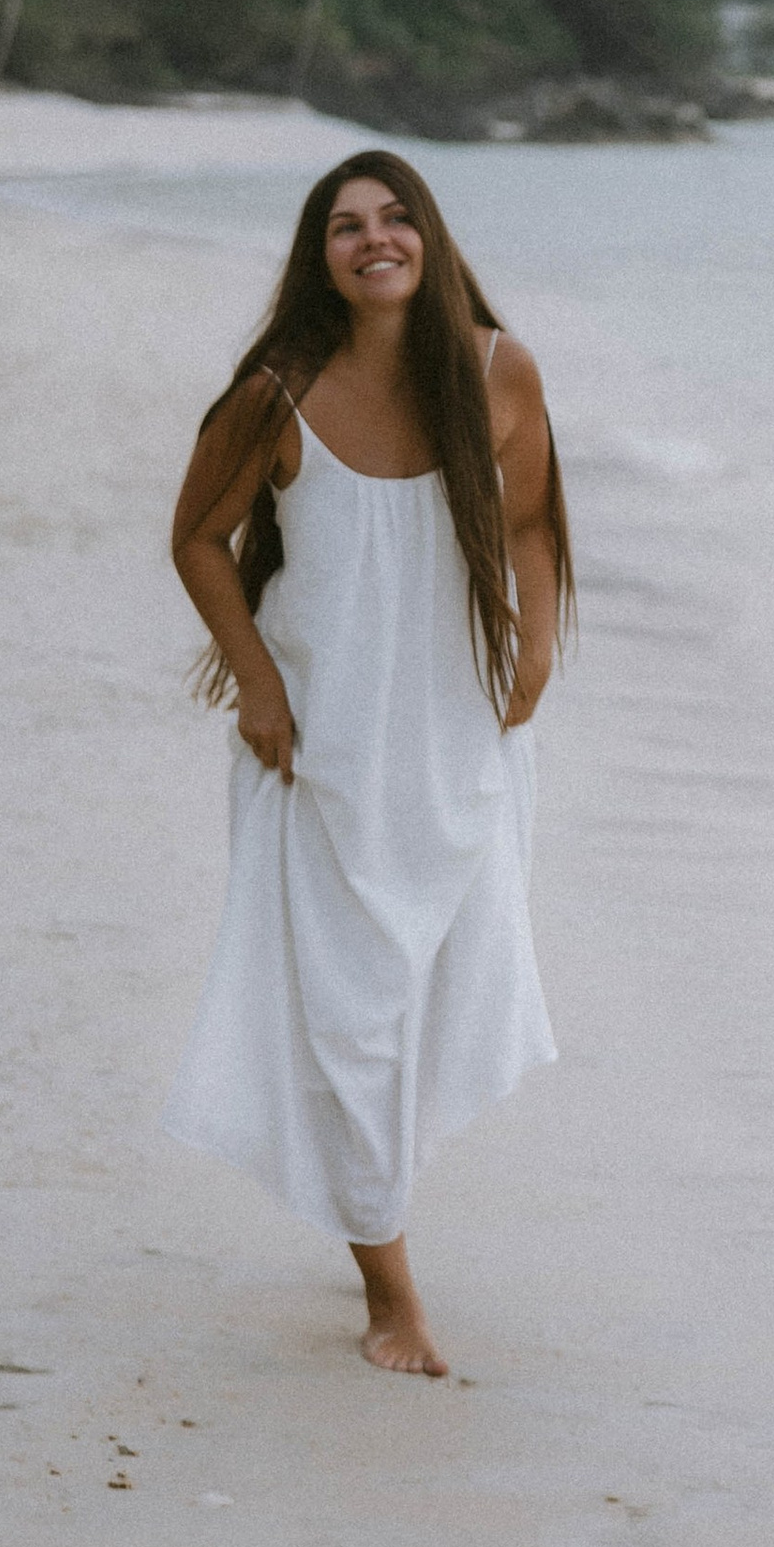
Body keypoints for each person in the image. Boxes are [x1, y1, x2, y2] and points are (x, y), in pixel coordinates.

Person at [164, 149, 570, 1376]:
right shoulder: (277, 391)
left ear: (430, 240)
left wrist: (536, 653)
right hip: (321, 760)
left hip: (457, 748)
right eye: (346, 227)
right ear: (320, 257)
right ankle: (392, 1294)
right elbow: (196, 538)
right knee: (348, 1026)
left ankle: (373, 1211)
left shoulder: (497, 369)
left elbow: (534, 522)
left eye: (397, 219)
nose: (374, 239)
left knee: (436, 1004)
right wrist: (262, 687)